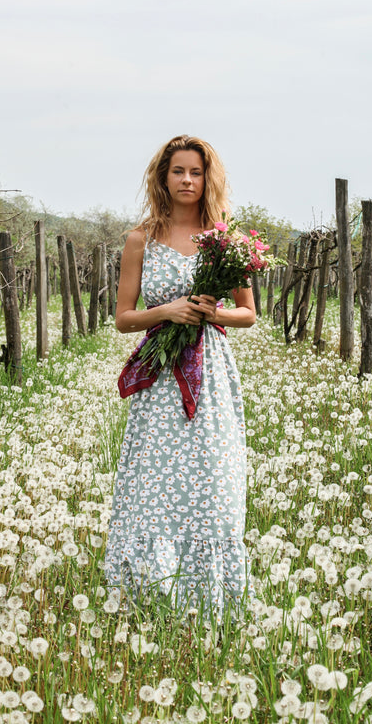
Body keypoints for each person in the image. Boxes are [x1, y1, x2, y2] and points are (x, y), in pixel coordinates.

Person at [104, 134, 256, 618]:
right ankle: (151, 596)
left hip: (209, 375)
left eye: (196, 172)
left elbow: (249, 313)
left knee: (212, 479)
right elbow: (124, 317)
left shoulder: (225, 239)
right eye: (178, 172)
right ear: (162, 178)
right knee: (154, 481)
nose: (187, 180)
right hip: (159, 378)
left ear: (208, 178)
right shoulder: (140, 239)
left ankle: (209, 598)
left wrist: (212, 315)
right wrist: (167, 311)